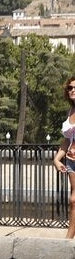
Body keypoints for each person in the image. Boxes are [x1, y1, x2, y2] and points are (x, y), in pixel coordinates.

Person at [54, 75, 75, 239]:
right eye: (70, 88)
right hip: (71, 160)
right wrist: (56, 159)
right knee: (73, 200)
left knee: (74, 199)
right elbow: (68, 139)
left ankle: (68, 239)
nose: (72, 90)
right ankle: (69, 240)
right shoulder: (71, 111)